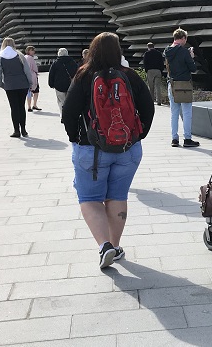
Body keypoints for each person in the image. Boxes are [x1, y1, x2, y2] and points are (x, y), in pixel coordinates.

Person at [61, 32, 155, 268]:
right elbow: (148, 108)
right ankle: (115, 245)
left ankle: (105, 246)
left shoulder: (82, 76)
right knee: (117, 197)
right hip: (127, 149)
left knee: (90, 198)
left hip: (91, 152)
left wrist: (77, 138)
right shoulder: (129, 75)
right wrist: (137, 135)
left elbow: (68, 113)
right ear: (118, 50)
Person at [164, 28, 199, 147]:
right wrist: (191, 57)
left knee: (174, 113)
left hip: (172, 84)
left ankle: (174, 139)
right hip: (184, 85)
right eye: (186, 39)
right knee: (187, 112)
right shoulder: (184, 52)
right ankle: (187, 139)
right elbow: (193, 68)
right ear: (183, 38)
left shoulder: (167, 51)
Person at [0, 37, 35, 138]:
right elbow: (27, 71)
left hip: (10, 85)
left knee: (14, 107)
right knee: (21, 106)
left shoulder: (0, 57)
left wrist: (1, 84)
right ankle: (24, 130)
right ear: (13, 44)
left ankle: (16, 130)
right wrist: (30, 83)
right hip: (22, 84)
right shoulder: (20, 56)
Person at [48, 47, 78, 113]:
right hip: (70, 85)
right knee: (69, 101)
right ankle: (69, 114)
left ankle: (62, 115)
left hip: (59, 85)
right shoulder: (72, 62)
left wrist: (51, 84)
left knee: (61, 101)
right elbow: (77, 73)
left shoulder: (55, 63)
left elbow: (51, 74)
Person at [24, 45, 41, 112]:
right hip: (33, 77)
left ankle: (29, 106)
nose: (34, 52)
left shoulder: (24, 57)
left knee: (29, 92)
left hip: (26, 77)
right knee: (36, 91)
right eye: (32, 50)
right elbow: (35, 68)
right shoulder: (31, 58)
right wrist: (36, 72)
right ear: (29, 51)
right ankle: (34, 105)